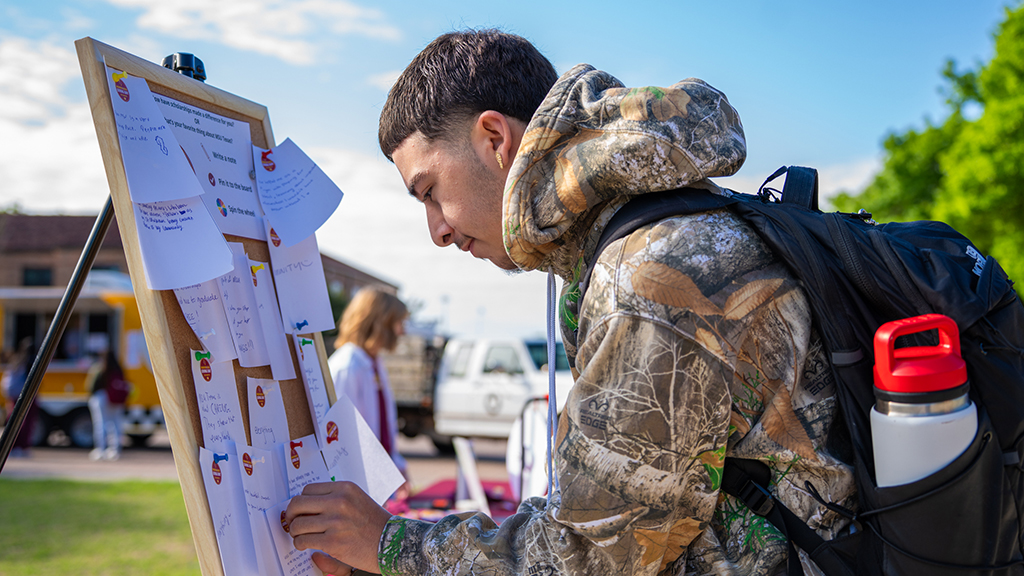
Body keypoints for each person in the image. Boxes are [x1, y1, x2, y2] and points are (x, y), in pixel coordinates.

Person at [286, 29, 855, 576]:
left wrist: (390, 543)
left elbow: (590, 555)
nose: (435, 230)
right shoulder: (637, 236)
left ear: (493, 138)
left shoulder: (647, 273)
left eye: (430, 191)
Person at [327, 286, 411, 502]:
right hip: (356, 488)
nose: (403, 331)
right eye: (398, 323)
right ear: (380, 323)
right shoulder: (347, 367)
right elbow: (342, 436)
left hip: (375, 483)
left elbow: (382, 428)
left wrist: (396, 465)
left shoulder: (373, 362)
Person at [86, 349, 127, 461]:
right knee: (116, 425)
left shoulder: (100, 368)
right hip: (117, 400)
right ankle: (115, 450)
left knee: (100, 423)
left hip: (102, 397)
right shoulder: (118, 369)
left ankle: (100, 449)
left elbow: (91, 386)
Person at [2, 338, 39, 457]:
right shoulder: (29, 361)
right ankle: (20, 446)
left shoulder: (16, 360)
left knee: (13, 421)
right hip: (25, 395)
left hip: (14, 395)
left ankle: (12, 446)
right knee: (25, 423)